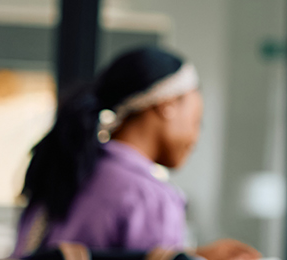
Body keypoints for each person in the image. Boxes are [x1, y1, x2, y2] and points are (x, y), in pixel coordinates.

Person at [14, 47, 258, 260]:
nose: (196, 138)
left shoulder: (70, 168)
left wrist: (191, 257)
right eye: (197, 122)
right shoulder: (148, 196)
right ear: (167, 106)